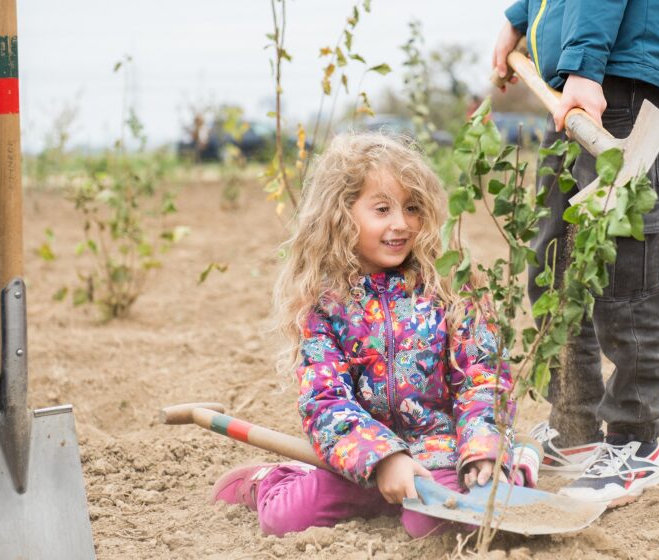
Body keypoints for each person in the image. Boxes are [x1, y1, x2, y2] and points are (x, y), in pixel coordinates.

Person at [211, 133, 540, 537]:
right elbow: (325, 399)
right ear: (341, 214)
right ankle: (270, 480)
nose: (400, 224)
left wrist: (483, 451)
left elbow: (482, 378)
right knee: (284, 519)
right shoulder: (323, 306)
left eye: (413, 208)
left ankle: (515, 463)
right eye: (382, 209)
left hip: (443, 454)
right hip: (363, 460)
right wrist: (384, 458)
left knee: (434, 522)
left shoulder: (451, 285)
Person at [491, 0, 659, 506]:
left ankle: (636, 442)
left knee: (622, 268)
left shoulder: (597, 67)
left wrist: (585, 65)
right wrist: (520, 17)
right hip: (576, 76)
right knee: (554, 261)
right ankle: (575, 426)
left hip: (621, 72)